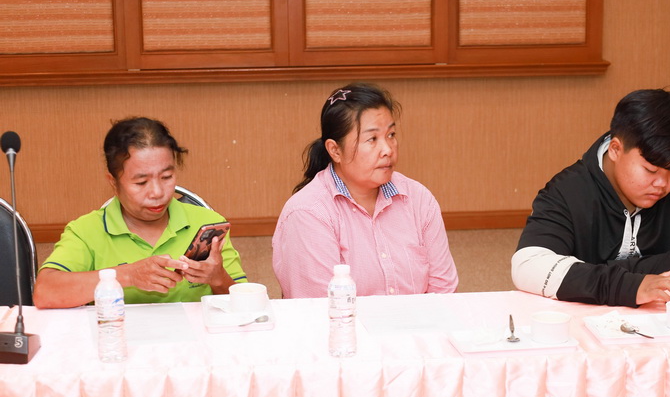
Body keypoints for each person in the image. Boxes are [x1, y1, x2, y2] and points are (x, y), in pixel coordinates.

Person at [512, 89, 670, 307]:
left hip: (659, 319)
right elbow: (528, 266)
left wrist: (603, 275)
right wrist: (631, 286)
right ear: (616, 149)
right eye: (650, 170)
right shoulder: (567, 191)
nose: (662, 184)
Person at [33, 117, 246, 308]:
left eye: (166, 177)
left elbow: (247, 304)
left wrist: (218, 278)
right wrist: (127, 275)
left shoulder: (207, 223)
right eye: (141, 182)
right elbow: (44, 293)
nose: (157, 192)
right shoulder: (87, 230)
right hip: (116, 335)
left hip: (194, 337)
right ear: (113, 182)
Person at [272, 82, 458, 298]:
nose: (388, 149)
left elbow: (443, 290)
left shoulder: (418, 198)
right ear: (335, 150)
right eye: (372, 139)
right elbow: (319, 308)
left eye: (391, 135)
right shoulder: (308, 213)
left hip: (418, 321)